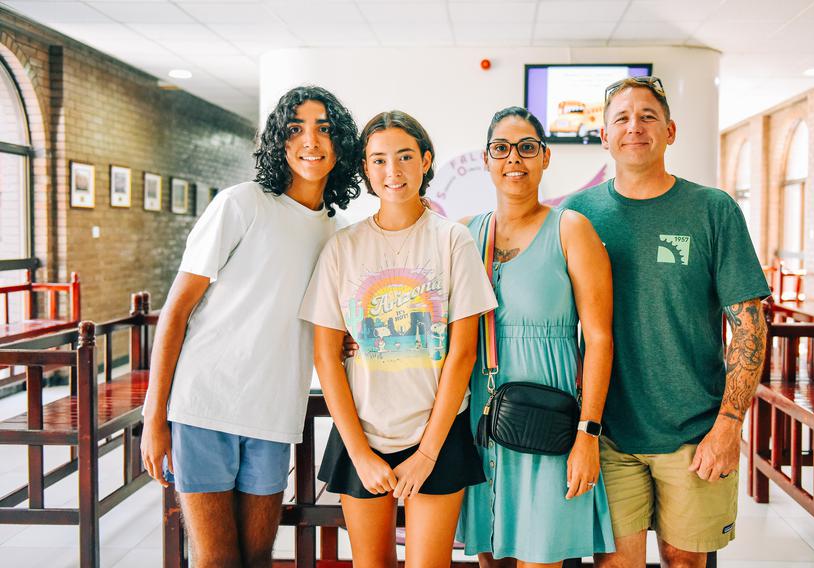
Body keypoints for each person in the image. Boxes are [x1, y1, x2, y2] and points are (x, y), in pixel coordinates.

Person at [140, 86, 360, 568]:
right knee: (217, 560)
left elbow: (324, 323)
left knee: (258, 558)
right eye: (296, 128)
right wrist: (154, 419)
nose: (311, 140)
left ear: (341, 143)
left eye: (324, 129)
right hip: (205, 408)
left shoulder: (337, 233)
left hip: (274, 416)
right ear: (279, 141)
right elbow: (175, 313)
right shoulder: (242, 204)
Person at [561, 77, 770, 568]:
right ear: (603, 135)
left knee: (685, 561)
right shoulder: (578, 214)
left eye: (648, 116)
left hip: (694, 431)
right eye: (622, 118)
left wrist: (729, 425)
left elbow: (750, 327)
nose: (635, 127)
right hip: (607, 433)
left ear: (671, 131)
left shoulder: (712, 209)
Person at [299, 110, 498, 568]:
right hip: (362, 437)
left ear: (426, 161)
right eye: (379, 160)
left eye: (405, 157)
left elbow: (462, 352)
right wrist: (360, 453)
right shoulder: (342, 247)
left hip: (436, 434)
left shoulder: (453, 241)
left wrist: (428, 452)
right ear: (366, 169)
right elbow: (326, 358)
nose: (393, 171)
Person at [458, 106, 616, 567]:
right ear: (486, 160)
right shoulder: (467, 233)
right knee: (492, 555)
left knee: (541, 556)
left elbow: (601, 339)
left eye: (527, 148)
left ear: (545, 158)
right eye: (501, 149)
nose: (514, 159)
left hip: (551, 422)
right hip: (483, 422)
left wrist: (588, 434)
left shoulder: (570, 229)